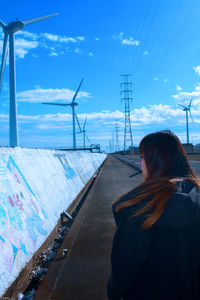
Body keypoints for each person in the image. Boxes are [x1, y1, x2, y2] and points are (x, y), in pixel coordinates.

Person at [107, 130, 200, 300]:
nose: (141, 163)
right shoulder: (197, 195)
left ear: (154, 162)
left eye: (143, 157)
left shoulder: (138, 209)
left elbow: (124, 270)